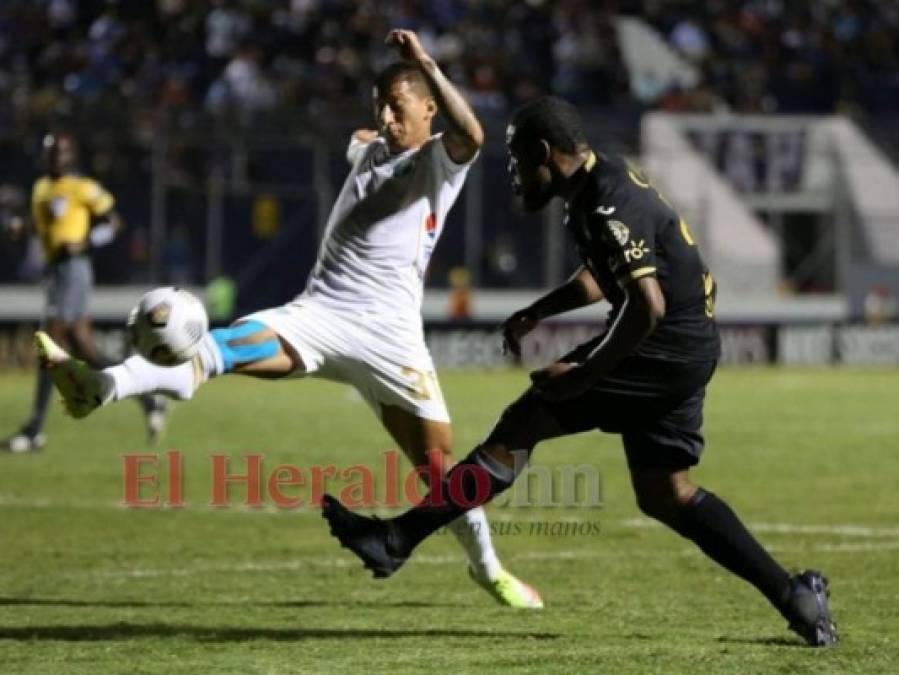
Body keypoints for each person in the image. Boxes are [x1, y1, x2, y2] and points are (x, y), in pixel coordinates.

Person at [35, 31, 542, 609]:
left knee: (440, 472)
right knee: (221, 349)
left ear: (428, 108)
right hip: (321, 313)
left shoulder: (439, 165)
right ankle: (102, 386)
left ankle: (489, 569)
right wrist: (370, 135)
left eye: (396, 106)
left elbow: (472, 135)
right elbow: (362, 142)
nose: (384, 116)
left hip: (393, 339)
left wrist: (425, 63)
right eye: (378, 105)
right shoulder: (375, 147)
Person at [320, 96, 838, 647]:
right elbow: (602, 275)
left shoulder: (606, 202)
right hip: (685, 347)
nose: (515, 175)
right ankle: (795, 596)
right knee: (666, 495)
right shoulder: (598, 184)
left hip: (663, 344)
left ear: (545, 152)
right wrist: (538, 311)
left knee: (525, 420)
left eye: (519, 160)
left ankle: (396, 538)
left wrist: (585, 375)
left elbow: (647, 305)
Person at [4, 132, 165, 453]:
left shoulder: (82, 187)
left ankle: (34, 430)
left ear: (71, 155)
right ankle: (149, 399)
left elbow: (115, 223)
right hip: (56, 272)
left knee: (50, 345)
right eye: (52, 151)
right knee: (88, 354)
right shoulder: (41, 189)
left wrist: (87, 242)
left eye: (62, 151)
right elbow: (42, 226)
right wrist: (23, 228)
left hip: (75, 268)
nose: (56, 157)